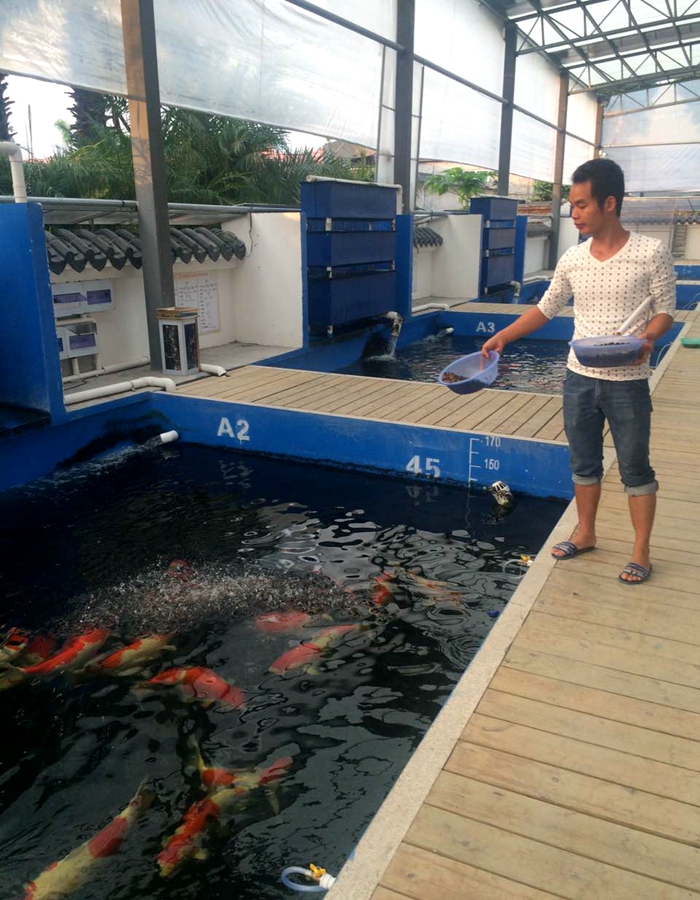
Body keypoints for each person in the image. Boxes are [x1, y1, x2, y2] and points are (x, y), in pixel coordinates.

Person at [481, 158, 675, 584]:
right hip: (579, 376)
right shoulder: (572, 258)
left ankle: (641, 550)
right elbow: (546, 308)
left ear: (609, 203)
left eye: (582, 204)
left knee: (635, 467)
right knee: (583, 462)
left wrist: (648, 339)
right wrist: (504, 337)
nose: (575, 214)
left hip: (628, 381)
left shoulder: (651, 253)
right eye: (572, 204)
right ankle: (585, 533)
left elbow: (665, 312)